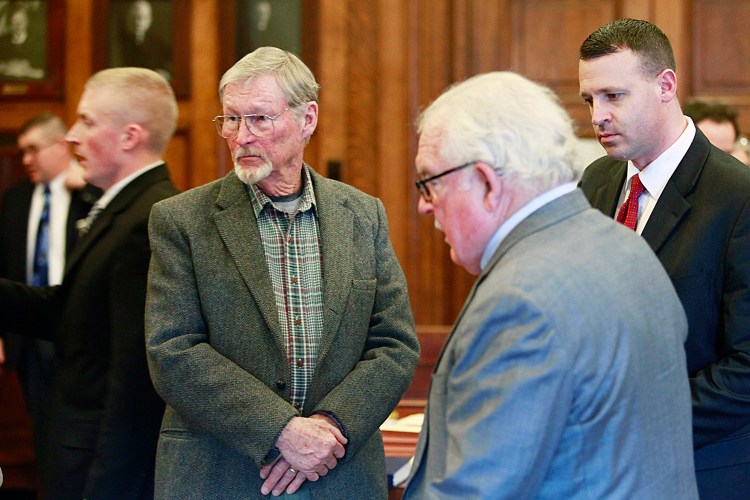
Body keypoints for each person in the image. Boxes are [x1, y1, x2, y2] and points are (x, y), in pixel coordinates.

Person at [401, 71, 697, 499]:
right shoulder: (627, 249)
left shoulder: (519, 304)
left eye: (431, 183)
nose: (425, 206)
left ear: (486, 183)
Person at [145, 46, 420, 499]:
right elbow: (172, 350)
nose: (241, 137)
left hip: (340, 473)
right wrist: (281, 431)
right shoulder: (182, 220)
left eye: (259, 119)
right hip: (221, 473)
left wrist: (328, 429)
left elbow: (394, 342)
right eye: (230, 120)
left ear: (307, 119)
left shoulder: (363, 214)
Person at [578, 18, 750, 500]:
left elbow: (747, 367)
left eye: (614, 95)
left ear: (665, 86)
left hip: (700, 472)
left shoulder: (737, 197)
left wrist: (632, 424)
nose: (598, 116)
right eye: (589, 100)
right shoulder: (596, 182)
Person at [0, 67, 179, 499]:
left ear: (129, 136)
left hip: (97, 471)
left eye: (87, 121)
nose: (72, 136)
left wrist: (106, 489)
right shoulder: (121, 208)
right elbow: (67, 313)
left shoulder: (146, 220)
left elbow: (132, 383)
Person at [0, 112, 99, 475]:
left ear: (61, 146)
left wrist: (87, 191)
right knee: (42, 430)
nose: (25, 160)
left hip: (77, 332)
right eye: (21, 151)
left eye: (32, 150)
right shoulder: (15, 200)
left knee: (79, 433)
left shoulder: (91, 192)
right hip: (26, 338)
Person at [113, 0, 172, 80]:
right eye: (134, 17)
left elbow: (169, 65)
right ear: (127, 19)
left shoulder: (157, 43)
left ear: (149, 21)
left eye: (142, 18)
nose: (137, 22)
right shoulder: (117, 43)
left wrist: (165, 73)